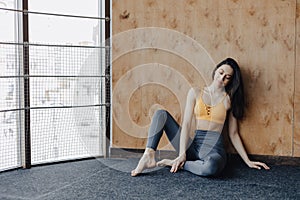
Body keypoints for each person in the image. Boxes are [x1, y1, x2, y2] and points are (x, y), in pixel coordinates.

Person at [131, 57, 270, 177]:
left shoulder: (228, 100)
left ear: (230, 81)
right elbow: (186, 124)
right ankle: (148, 155)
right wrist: (182, 153)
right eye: (221, 73)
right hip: (193, 146)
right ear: (215, 70)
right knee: (161, 114)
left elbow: (233, 134)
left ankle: (179, 165)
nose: (222, 78)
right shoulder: (195, 92)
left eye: (227, 77)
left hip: (214, 149)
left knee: (210, 168)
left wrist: (248, 161)